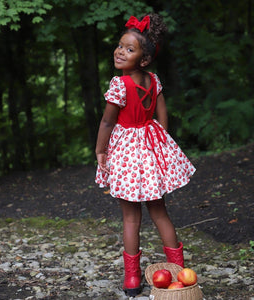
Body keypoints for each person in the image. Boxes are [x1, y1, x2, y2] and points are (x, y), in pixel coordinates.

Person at [95, 13, 196, 297]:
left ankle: (132, 280)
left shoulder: (120, 85)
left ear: (143, 59)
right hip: (150, 152)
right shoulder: (154, 81)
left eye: (129, 48)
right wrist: (157, 145)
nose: (120, 50)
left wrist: (100, 150)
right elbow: (163, 120)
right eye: (120, 45)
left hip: (126, 154)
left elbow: (107, 122)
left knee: (130, 219)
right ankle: (179, 273)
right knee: (160, 213)